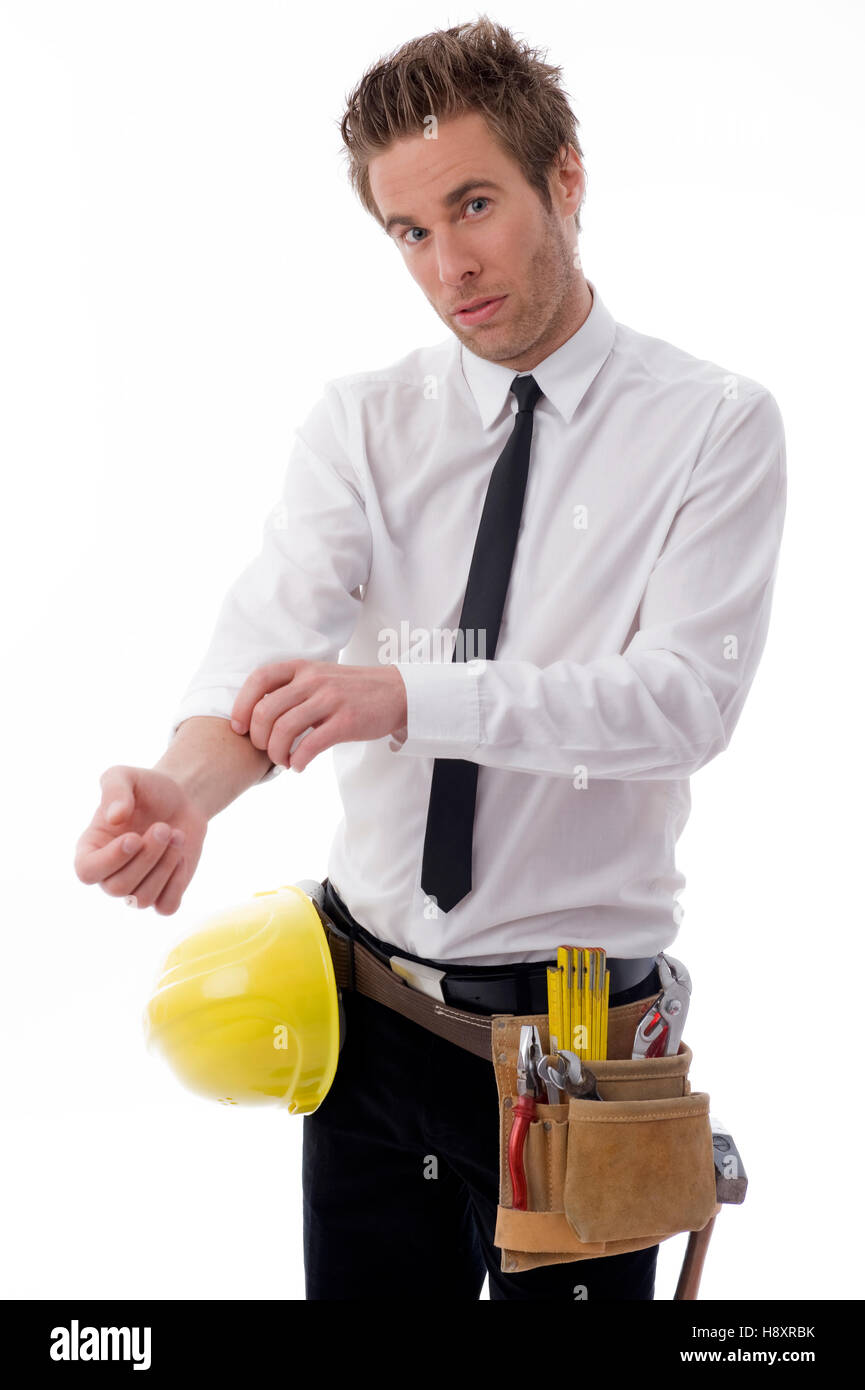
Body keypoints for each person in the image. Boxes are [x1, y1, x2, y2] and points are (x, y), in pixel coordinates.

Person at [74, 17, 786, 1300]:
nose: (448, 265)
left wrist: (406, 695)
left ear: (564, 177)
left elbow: (682, 704)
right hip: (369, 1022)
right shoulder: (363, 421)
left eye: (474, 206)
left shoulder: (713, 425)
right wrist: (185, 788)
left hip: (577, 1050)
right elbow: (271, 643)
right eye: (408, 230)